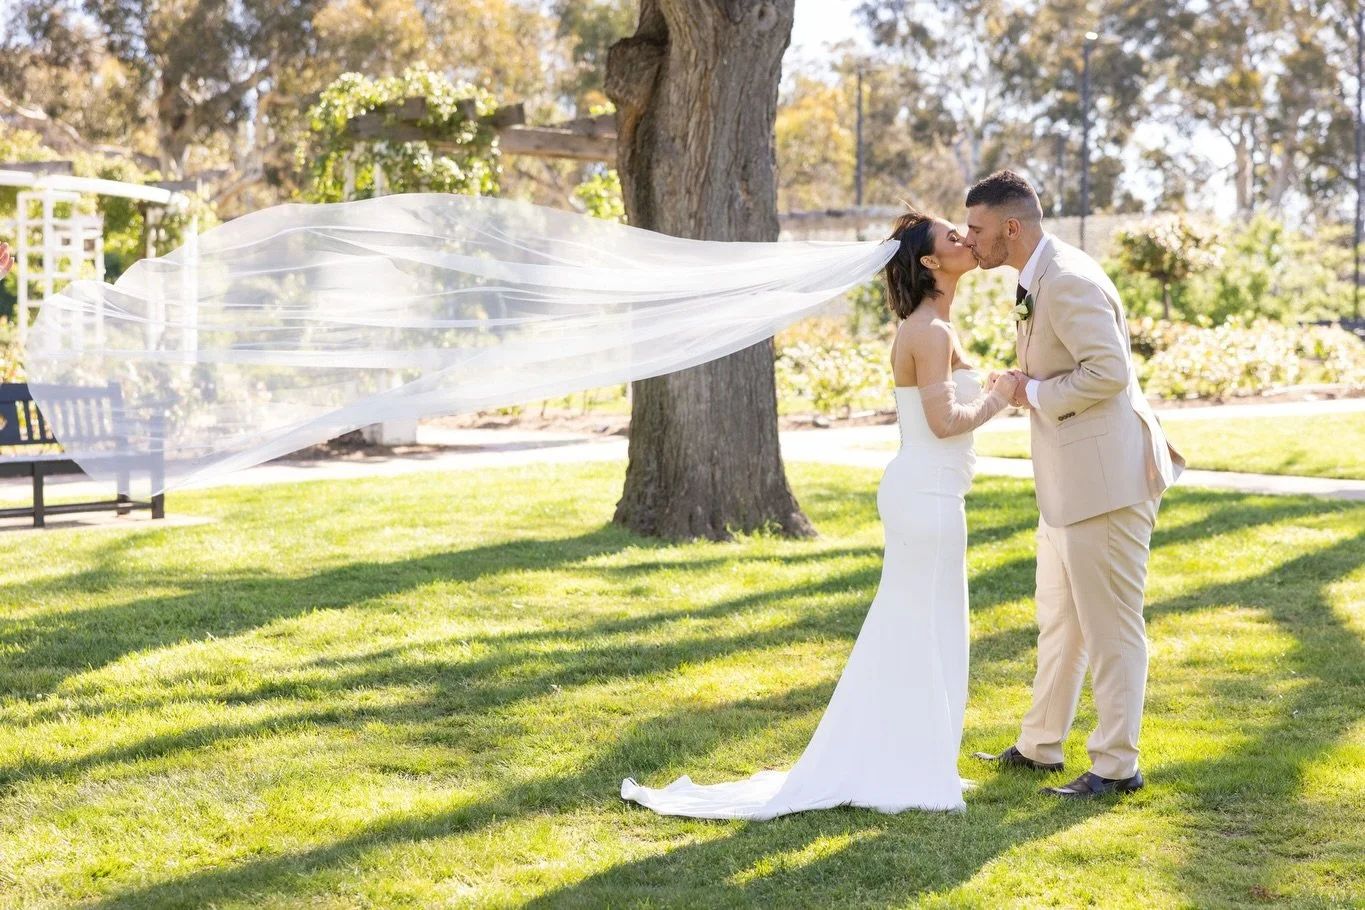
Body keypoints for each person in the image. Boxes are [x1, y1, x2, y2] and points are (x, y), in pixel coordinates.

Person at [621, 211, 1018, 818]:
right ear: (931, 263)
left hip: (934, 493)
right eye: (952, 236)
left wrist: (989, 391)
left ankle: (917, 759)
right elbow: (943, 424)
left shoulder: (936, 326)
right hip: (925, 497)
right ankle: (903, 766)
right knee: (917, 629)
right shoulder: (929, 332)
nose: (966, 238)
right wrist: (1001, 394)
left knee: (930, 629)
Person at [962, 170, 1183, 799]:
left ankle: (1117, 765)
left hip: (1106, 485)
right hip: (1067, 486)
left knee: (1112, 627)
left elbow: (1108, 372)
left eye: (977, 229)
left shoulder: (1066, 279)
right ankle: (1039, 747)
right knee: (1060, 622)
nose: (969, 239)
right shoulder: (1039, 276)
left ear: (1012, 227)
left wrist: (1030, 392)